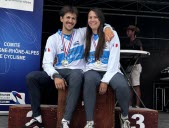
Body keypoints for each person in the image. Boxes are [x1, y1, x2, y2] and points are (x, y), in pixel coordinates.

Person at [23, 6, 113, 128]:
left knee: (76, 74)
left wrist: (107, 27)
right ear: (61, 19)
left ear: (76, 21)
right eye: (68, 18)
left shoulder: (82, 32)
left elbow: (95, 24)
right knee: (31, 77)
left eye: (73, 18)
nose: (70, 21)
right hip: (58, 71)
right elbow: (47, 63)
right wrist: (55, 75)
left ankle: (66, 120)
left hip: (75, 72)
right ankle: (37, 117)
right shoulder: (53, 39)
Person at [83, 8, 130, 128]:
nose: (92, 20)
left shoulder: (110, 34)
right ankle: (89, 122)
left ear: (101, 19)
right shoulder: (85, 34)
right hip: (92, 70)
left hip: (111, 70)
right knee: (88, 80)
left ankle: (124, 117)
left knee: (122, 86)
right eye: (90, 17)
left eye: (95, 17)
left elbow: (114, 60)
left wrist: (105, 80)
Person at [124, 25, 143, 108]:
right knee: (129, 85)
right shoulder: (128, 42)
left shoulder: (137, 41)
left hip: (135, 65)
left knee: (135, 85)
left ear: (133, 32)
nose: (127, 32)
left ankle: (137, 105)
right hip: (129, 65)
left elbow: (141, 52)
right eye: (127, 31)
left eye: (129, 31)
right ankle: (129, 105)